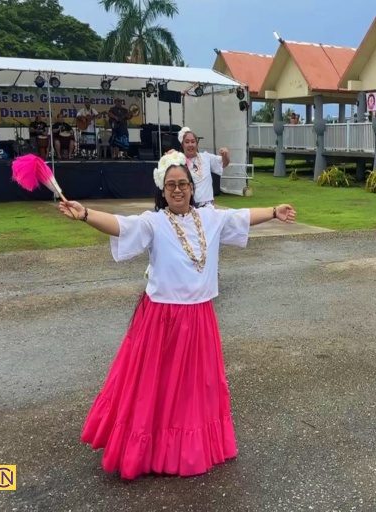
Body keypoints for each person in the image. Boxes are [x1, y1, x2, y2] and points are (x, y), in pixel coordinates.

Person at [57, 150, 297, 480]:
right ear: (163, 190)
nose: (178, 190)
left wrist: (273, 211)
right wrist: (86, 214)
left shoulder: (211, 219)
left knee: (194, 392)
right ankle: (148, 450)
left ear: (192, 187)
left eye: (183, 183)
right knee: (154, 389)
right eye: (171, 185)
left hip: (199, 320)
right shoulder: (154, 223)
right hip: (161, 321)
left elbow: (242, 216)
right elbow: (121, 226)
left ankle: (188, 450)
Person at [177, 127, 230, 208]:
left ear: (197, 144)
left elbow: (224, 163)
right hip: (189, 205)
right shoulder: (179, 161)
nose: (190, 144)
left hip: (208, 205)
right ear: (182, 145)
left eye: (193, 141)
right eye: (187, 142)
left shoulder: (206, 157)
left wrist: (225, 155)